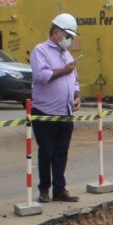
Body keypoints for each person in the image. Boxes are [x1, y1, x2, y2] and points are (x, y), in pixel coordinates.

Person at [29, 13, 81, 203]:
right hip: (45, 112)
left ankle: (60, 188)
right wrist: (63, 71)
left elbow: (74, 80)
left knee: (61, 152)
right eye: (67, 36)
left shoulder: (67, 54)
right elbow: (41, 75)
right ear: (56, 31)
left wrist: (77, 96)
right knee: (47, 151)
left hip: (65, 112)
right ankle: (44, 189)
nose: (69, 40)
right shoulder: (40, 51)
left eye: (72, 37)